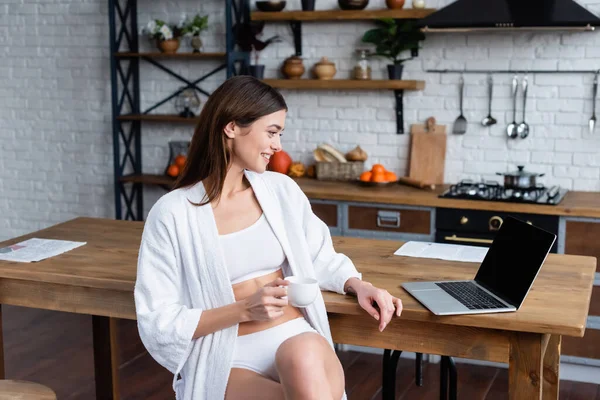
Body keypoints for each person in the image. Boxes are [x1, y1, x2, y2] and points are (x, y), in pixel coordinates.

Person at [134, 75, 403, 400]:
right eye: (272, 132)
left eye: (280, 134)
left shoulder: (281, 190)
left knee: (302, 357)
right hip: (226, 354)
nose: (278, 145)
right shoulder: (173, 213)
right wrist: (244, 310)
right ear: (231, 128)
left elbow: (318, 256)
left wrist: (359, 285)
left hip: (295, 336)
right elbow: (159, 320)